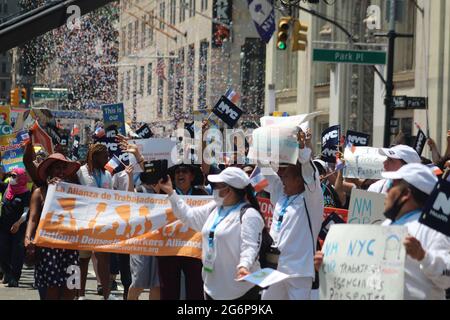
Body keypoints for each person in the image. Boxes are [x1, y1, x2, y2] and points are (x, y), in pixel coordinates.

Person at [315, 163, 450, 299]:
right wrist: (329, 266)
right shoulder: (387, 225)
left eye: (391, 185)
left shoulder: (431, 228)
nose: (386, 191)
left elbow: (447, 277)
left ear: (406, 194)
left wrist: (423, 256)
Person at [159, 166, 265, 300]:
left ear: (228, 190)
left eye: (218, 186)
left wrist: (244, 266)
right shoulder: (214, 208)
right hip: (212, 289)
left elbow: (250, 246)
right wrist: (171, 192)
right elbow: (188, 215)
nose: (214, 189)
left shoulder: (249, 215)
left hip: (240, 291)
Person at [259, 130, 324, 300]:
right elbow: (266, 171)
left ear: (299, 180)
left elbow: (310, 174)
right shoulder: (281, 192)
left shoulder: (311, 199)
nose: (281, 180)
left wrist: (302, 149)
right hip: (274, 267)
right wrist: (259, 145)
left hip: (299, 271)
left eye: (286, 176)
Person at [24, 153, 81, 300]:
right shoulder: (40, 192)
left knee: (71, 288)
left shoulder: (73, 192)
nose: (61, 171)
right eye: (57, 168)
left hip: (70, 248)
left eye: (63, 168)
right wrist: (28, 238)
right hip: (48, 249)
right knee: (51, 289)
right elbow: (33, 219)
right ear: (49, 171)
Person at [156, 163, 207, 300]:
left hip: (194, 249)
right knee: (168, 291)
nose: (180, 174)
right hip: (169, 249)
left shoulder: (202, 195)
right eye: (177, 172)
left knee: (196, 290)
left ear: (192, 176)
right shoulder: (163, 194)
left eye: (184, 171)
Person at [76, 143, 116, 300]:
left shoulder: (107, 175)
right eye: (104, 155)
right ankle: (81, 295)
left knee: (104, 259)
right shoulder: (81, 172)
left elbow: (112, 196)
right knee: (83, 259)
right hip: (84, 222)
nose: (107, 158)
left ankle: (107, 296)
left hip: (102, 223)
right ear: (94, 156)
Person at [0, 168, 31, 287]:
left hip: (18, 227)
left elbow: (26, 211)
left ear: (21, 178)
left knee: (16, 254)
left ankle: (14, 277)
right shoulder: (6, 188)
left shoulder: (26, 193)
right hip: (4, 226)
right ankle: (6, 272)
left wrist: (18, 224)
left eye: (14, 176)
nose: (11, 178)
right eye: (11, 175)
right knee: (2, 251)